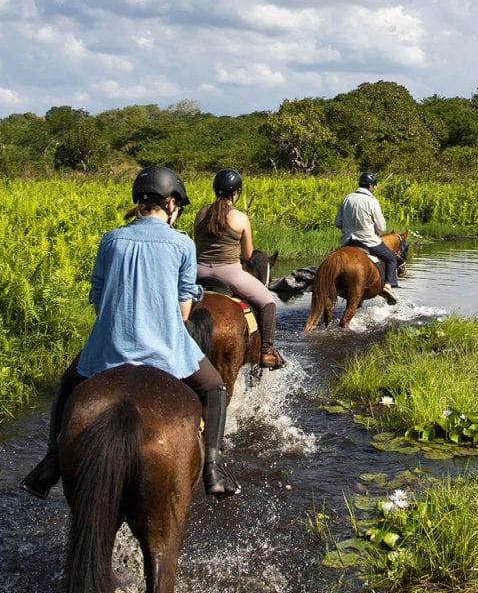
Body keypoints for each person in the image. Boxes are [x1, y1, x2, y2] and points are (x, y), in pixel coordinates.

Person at [21, 165, 240, 500]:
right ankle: (214, 467)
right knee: (214, 387)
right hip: (166, 348)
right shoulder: (181, 244)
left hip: (108, 346)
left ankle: (51, 461)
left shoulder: (111, 239)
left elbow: (97, 297)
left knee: (67, 385)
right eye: (177, 206)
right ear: (169, 204)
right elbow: (183, 314)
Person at [193, 168, 286, 370]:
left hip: (198, 272)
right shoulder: (240, 217)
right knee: (268, 303)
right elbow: (248, 255)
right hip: (229, 273)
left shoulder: (200, 213)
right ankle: (267, 352)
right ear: (236, 193)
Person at [334, 172, 398, 305]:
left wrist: (348, 229)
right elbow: (381, 227)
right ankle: (388, 286)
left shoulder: (347, 198)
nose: (374, 188)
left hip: (348, 241)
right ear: (370, 186)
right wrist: (374, 232)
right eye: (374, 186)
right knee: (392, 258)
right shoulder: (372, 201)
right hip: (368, 241)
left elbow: (338, 222)